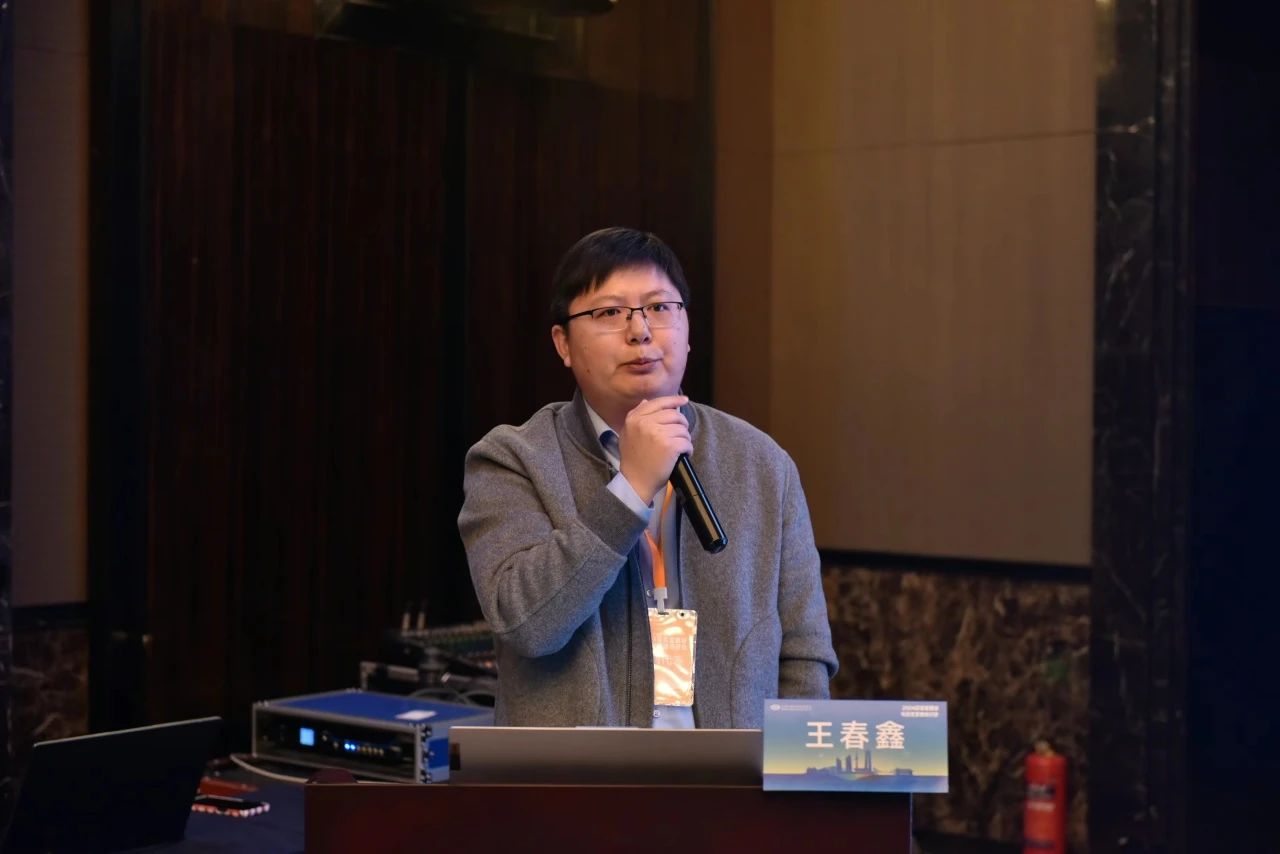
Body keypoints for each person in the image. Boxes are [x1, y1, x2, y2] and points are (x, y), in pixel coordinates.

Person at [458, 227, 837, 728]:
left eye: (659, 307)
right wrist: (629, 490)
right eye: (609, 313)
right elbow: (526, 624)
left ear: (687, 329)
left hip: (726, 775)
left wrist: (790, 771)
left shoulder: (762, 463)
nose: (640, 331)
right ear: (563, 344)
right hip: (581, 776)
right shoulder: (511, 459)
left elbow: (804, 656)